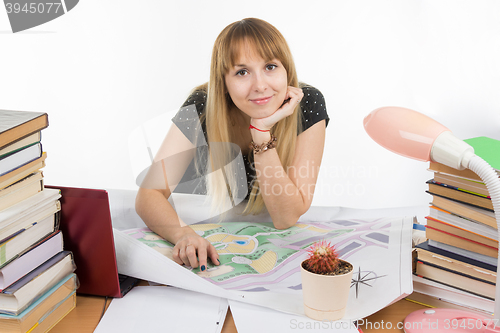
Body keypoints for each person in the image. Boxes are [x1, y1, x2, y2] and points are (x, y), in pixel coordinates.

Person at [135, 18, 329, 272]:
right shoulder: (202, 105)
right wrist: (184, 235)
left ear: (287, 71)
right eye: (242, 72)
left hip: (269, 244)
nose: (260, 85)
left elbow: (286, 217)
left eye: (270, 66)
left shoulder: (308, 103)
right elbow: (149, 194)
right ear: (223, 82)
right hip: (212, 234)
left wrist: (261, 131)